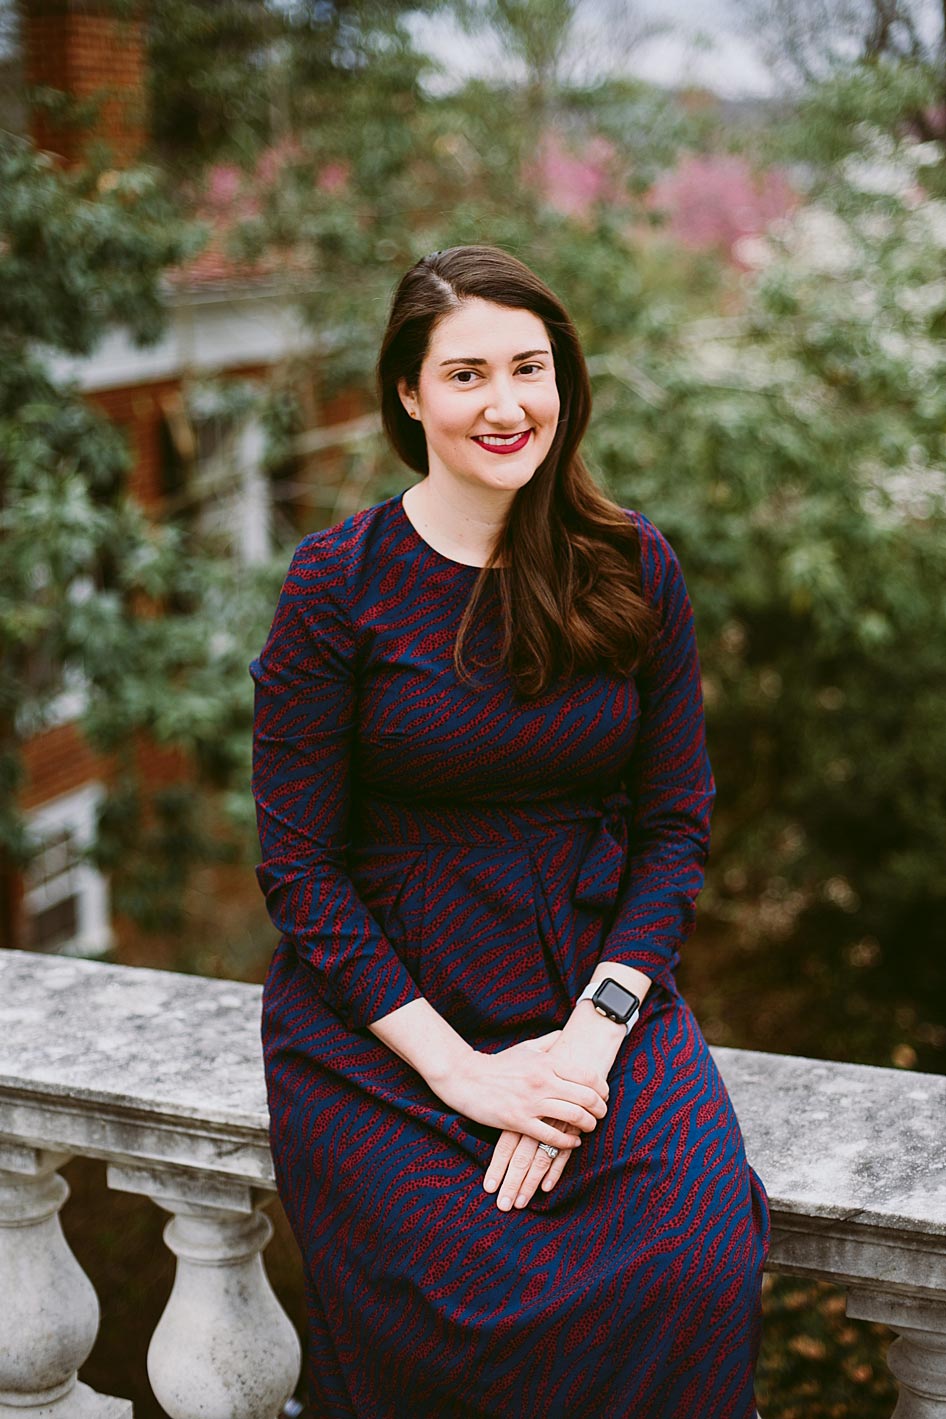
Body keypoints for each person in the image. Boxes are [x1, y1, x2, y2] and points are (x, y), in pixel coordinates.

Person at [250, 244, 770, 1419]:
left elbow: (675, 829)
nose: (504, 404)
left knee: (692, 1260)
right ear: (408, 393)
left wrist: (590, 1043)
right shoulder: (338, 585)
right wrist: (465, 1075)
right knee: (463, 1296)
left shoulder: (632, 566)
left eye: (528, 368)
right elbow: (300, 868)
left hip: (595, 988)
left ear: (563, 382)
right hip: (386, 1019)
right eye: (466, 373)